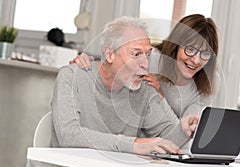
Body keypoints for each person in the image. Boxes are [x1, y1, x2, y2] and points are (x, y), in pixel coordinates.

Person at [52, 16, 199, 155]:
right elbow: (68, 135)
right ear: (110, 55)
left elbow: (165, 140)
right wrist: (133, 145)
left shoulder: (143, 88)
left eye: (148, 54)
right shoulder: (71, 76)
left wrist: (183, 130)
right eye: (136, 54)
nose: (146, 64)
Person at [72, 14, 219, 119]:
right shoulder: (151, 58)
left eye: (205, 53)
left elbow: (186, 131)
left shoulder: (209, 81)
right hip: (135, 139)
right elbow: (112, 68)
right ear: (176, 45)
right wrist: (87, 64)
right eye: (190, 50)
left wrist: (160, 96)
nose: (196, 60)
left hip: (169, 146)